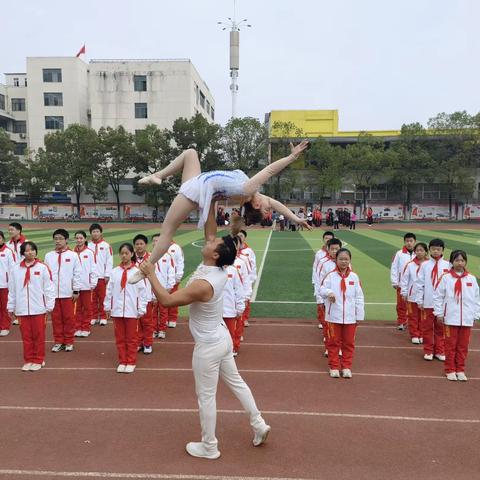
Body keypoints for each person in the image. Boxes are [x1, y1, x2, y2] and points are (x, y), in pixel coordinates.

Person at [139, 203, 270, 459]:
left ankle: (209, 446)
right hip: (221, 337)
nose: (209, 241)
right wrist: (209, 200)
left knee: (206, 397)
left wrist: (150, 273)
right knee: (237, 383)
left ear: (216, 254)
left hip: (209, 345)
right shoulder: (218, 266)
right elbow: (211, 231)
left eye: (213, 243)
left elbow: (166, 300)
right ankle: (258, 423)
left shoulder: (203, 284)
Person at [130, 141, 311, 284]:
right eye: (267, 208)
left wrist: (292, 157)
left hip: (196, 192)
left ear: (256, 206)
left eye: (266, 209)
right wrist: (296, 218)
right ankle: (158, 176)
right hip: (201, 185)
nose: (269, 205)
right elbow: (277, 203)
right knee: (190, 153)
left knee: (167, 231)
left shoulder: (249, 190)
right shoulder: (253, 194)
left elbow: (270, 170)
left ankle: (144, 269)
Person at [7, 241, 55, 371]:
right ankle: (28, 359)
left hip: (39, 308)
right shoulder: (16, 269)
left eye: (32, 250)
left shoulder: (42, 267)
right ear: (23, 253)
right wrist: (11, 307)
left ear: (36, 251)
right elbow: (12, 290)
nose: (30, 252)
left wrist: (50, 305)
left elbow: (49, 288)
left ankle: (39, 359)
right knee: (26, 336)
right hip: (22, 309)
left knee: (39, 335)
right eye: (27, 250)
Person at [433, 250, 480, 381]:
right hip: (450, 318)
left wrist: (475, 314)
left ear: (465, 262)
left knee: (463, 346)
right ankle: (450, 369)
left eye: (462, 260)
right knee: (450, 346)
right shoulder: (446, 278)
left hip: (466, 318)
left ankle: (460, 369)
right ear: (451, 262)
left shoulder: (471, 278)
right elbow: (438, 297)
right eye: (457, 260)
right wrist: (439, 313)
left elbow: (476, 299)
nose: (460, 263)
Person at [320, 248, 365, 378]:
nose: (343, 262)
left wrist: (359, 315)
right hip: (334, 316)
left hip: (350, 317)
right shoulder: (330, 276)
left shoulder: (354, 277)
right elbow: (322, 289)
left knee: (349, 343)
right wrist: (329, 293)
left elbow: (359, 297)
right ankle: (334, 366)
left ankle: (346, 367)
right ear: (336, 260)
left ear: (350, 260)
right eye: (341, 259)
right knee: (333, 342)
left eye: (346, 259)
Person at [104, 243, 148, 373]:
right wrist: (107, 306)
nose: (124, 255)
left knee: (132, 338)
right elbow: (109, 290)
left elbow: (143, 292)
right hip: (117, 310)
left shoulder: (137, 272)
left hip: (131, 310)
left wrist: (141, 309)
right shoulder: (115, 271)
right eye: (122, 253)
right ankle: (122, 361)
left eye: (126, 253)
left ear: (132, 254)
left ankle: (131, 361)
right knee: (120, 338)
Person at [44, 229, 82, 353]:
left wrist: (76, 290)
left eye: (60, 238)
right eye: (56, 238)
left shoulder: (73, 255)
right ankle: (58, 341)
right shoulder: (49, 255)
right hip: (53, 294)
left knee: (69, 318)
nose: (58, 241)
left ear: (66, 240)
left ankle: (69, 341)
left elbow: (77, 273)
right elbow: (45, 275)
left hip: (68, 293)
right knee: (56, 319)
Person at [414, 239, 450, 361]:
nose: (435, 251)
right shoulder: (424, 265)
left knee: (441, 328)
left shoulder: (448, 265)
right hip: (428, 302)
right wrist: (419, 300)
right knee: (427, 327)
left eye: (438, 249)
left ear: (442, 250)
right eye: (433, 249)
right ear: (429, 250)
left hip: (442, 303)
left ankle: (440, 350)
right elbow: (419, 284)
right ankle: (428, 350)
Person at [314, 238, 343, 354]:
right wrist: (321, 297)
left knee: (340, 325)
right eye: (332, 249)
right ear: (328, 250)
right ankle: (329, 348)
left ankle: (339, 347)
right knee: (329, 325)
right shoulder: (324, 264)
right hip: (328, 300)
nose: (335, 251)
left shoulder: (346, 262)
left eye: (337, 249)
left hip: (341, 300)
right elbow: (319, 281)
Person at [400, 242, 428, 344]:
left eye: (421, 250)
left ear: (426, 252)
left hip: (426, 296)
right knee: (413, 316)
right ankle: (414, 334)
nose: (419, 252)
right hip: (412, 295)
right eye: (417, 250)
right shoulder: (410, 265)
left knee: (423, 317)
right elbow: (404, 280)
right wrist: (404, 292)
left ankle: (421, 334)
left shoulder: (429, 264)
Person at [150, 235, 176, 340]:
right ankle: (153, 329)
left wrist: (170, 285)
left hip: (164, 288)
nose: (156, 242)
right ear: (152, 243)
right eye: (154, 241)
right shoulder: (149, 256)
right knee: (153, 311)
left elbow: (171, 271)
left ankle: (162, 330)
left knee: (163, 311)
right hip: (152, 288)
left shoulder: (168, 256)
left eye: (158, 240)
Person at [73, 231, 98, 338]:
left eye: (81, 238)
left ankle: (86, 327)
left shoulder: (90, 252)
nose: (79, 240)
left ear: (84, 239)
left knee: (87, 308)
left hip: (86, 285)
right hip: (75, 286)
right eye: (77, 238)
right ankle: (78, 327)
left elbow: (93, 268)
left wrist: (93, 282)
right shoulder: (71, 253)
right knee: (77, 308)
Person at [133, 234, 155, 354]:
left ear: (146, 245)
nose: (139, 246)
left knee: (147, 321)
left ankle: (147, 343)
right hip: (134, 295)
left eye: (141, 244)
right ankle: (138, 342)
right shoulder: (131, 258)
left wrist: (155, 294)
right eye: (137, 244)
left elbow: (158, 276)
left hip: (147, 295)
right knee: (136, 321)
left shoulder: (152, 258)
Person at [88, 223, 113, 326]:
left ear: (101, 232)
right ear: (91, 233)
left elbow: (109, 261)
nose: (95, 233)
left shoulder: (106, 246)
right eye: (93, 231)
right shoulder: (88, 245)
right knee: (92, 298)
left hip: (102, 276)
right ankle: (94, 316)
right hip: (91, 277)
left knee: (103, 297)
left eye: (97, 231)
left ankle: (103, 316)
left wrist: (107, 274)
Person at [390, 233, 416, 331]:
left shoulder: (418, 253)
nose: (409, 243)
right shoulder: (399, 254)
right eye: (407, 241)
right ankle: (402, 321)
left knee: (414, 304)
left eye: (411, 241)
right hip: (401, 284)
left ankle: (413, 322)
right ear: (404, 242)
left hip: (415, 285)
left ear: (415, 242)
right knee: (401, 304)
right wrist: (394, 282)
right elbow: (394, 268)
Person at [223, 260, 247, 356]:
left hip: (229, 310)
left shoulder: (233, 271)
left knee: (230, 334)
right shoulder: (211, 270)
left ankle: (231, 350)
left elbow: (239, 290)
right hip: (214, 311)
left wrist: (240, 307)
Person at [312, 231, 335, 329]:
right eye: (326, 238)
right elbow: (315, 268)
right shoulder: (319, 253)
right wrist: (315, 281)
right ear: (323, 239)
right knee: (321, 303)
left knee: (332, 304)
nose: (328, 240)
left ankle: (331, 324)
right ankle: (323, 323)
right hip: (320, 282)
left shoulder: (337, 253)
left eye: (330, 238)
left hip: (332, 283)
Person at [237, 230, 256, 327]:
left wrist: (252, 280)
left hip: (246, 280)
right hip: (234, 280)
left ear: (244, 238)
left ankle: (244, 319)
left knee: (246, 300)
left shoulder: (249, 251)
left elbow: (253, 266)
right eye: (238, 236)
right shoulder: (231, 250)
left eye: (241, 236)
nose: (239, 237)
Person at [166, 240, 185, 328]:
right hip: (163, 277)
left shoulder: (176, 247)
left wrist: (178, 276)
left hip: (173, 277)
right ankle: (165, 318)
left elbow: (180, 261)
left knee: (173, 298)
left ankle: (172, 318)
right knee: (164, 298)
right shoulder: (160, 245)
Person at [0, 231, 16, 336]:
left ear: (3, 239)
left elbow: (13, 269)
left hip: (4, 284)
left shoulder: (8, 251)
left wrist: (11, 283)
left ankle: (5, 327)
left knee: (4, 306)